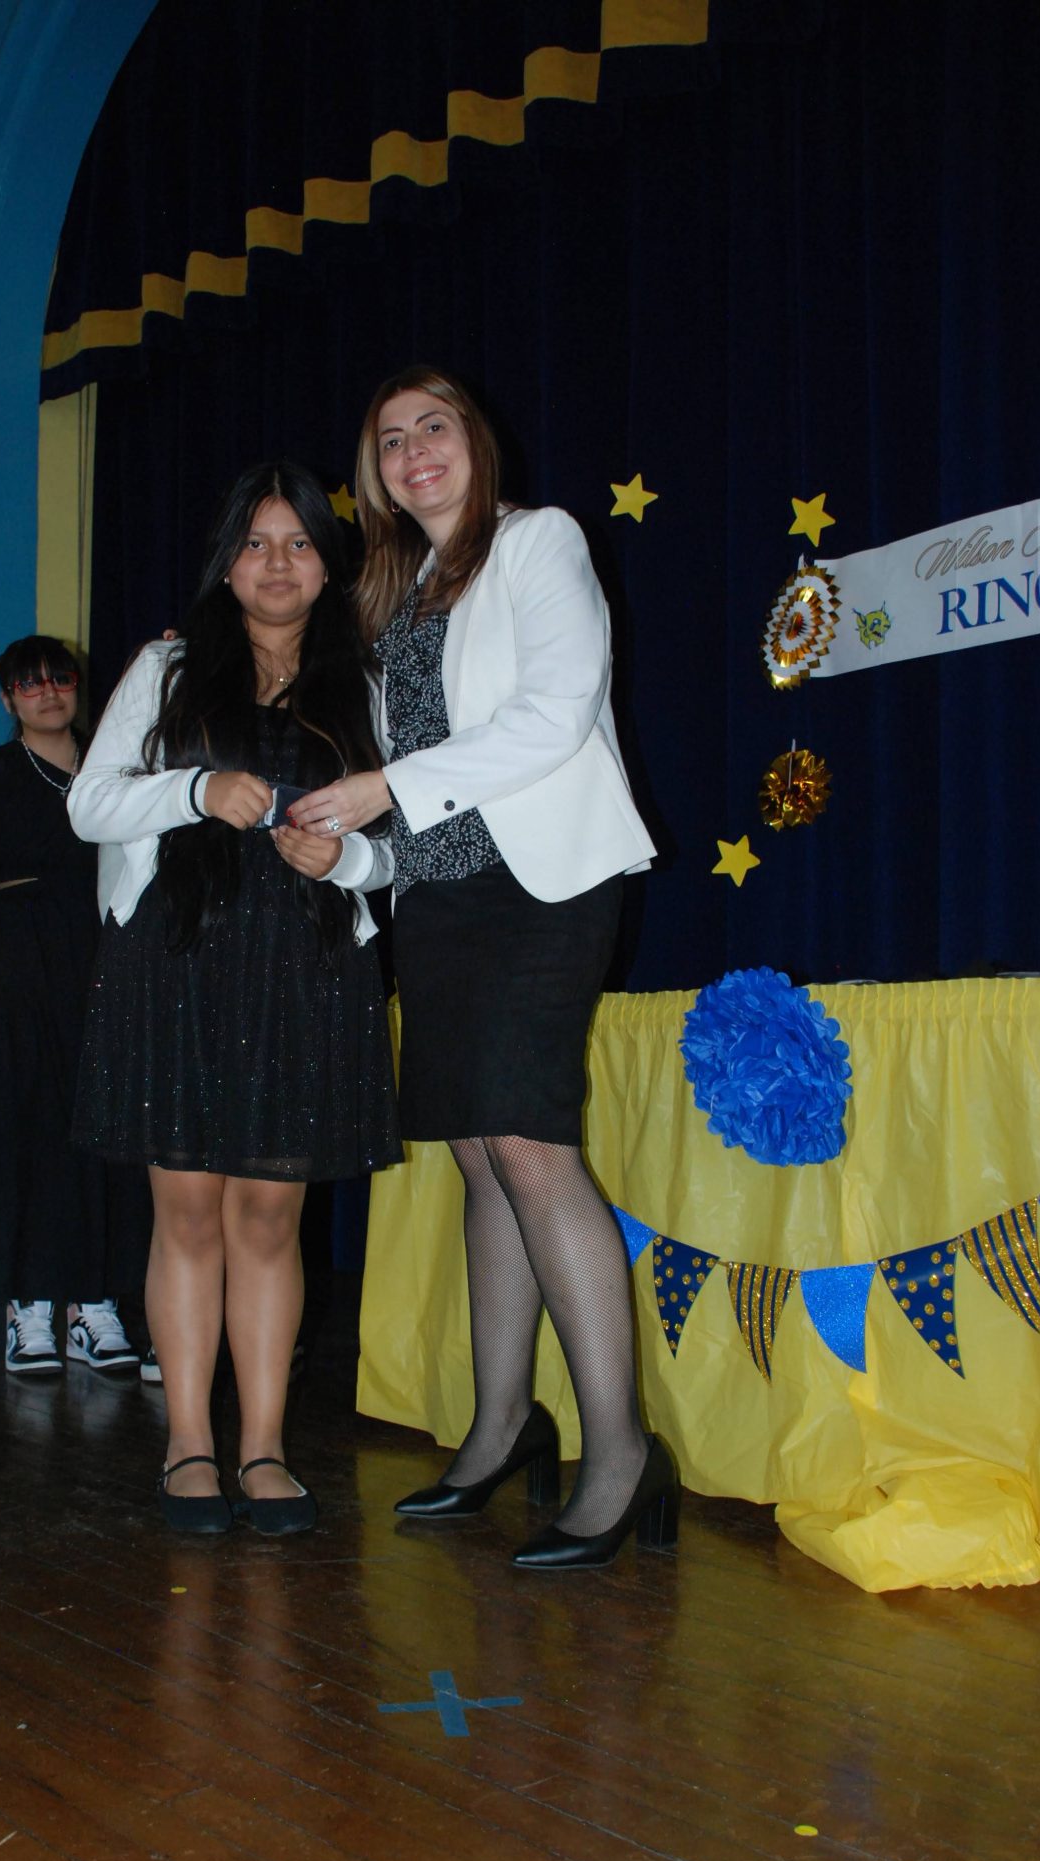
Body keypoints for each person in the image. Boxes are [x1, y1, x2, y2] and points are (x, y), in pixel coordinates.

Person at [289, 367, 675, 1571]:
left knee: (528, 1144)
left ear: (475, 440)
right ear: (374, 474)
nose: (414, 452)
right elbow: (403, 793)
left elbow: (556, 712)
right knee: (477, 1154)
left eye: (433, 428)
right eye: (389, 440)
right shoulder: (388, 594)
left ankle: (621, 1452)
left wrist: (382, 788)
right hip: (441, 901)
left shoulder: (536, 543)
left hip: (543, 890)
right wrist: (349, 852)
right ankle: (502, 1425)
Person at [68, 461, 399, 1538]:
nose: (277, 563)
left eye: (298, 543)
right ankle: (188, 1445)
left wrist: (345, 862)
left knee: (268, 1216)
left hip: (305, 965)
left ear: (328, 565)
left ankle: (263, 1448)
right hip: (178, 957)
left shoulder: (365, 684)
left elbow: (405, 845)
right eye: (256, 543)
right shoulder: (167, 666)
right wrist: (195, 790)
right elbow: (89, 805)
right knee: (187, 1212)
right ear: (227, 561)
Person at [0, 636, 146, 1375]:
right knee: (24, 1135)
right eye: (29, 683)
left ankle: (95, 1305)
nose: (48, 692)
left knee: (105, 1138)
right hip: (14, 980)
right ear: (7, 699)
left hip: (105, 969)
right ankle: (30, 1308)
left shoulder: (116, 770)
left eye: (60, 678)